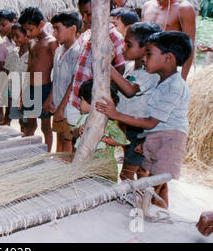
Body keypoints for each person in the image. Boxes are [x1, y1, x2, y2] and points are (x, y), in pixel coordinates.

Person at [96, 31, 192, 209]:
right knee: (155, 183)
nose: (145, 59)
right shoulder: (159, 80)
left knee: (155, 185)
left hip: (170, 139)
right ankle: (157, 214)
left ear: (168, 58)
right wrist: (147, 140)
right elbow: (153, 120)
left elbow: (151, 121)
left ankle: (155, 215)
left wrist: (116, 115)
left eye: (149, 54)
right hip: (158, 136)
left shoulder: (175, 86)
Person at [65, 0, 126, 130]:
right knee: (77, 142)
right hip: (76, 101)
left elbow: (118, 74)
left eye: (88, 14)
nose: (84, 19)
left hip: (93, 106)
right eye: (82, 14)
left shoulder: (115, 39)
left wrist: (96, 102)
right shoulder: (86, 35)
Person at [110, 22, 162, 181]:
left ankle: (136, 202)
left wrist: (107, 66)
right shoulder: (128, 67)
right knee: (136, 170)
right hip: (128, 127)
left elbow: (129, 90)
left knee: (127, 174)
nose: (122, 48)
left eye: (128, 44)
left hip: (141, 131)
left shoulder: (150, 73)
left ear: (146, 48)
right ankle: (138, 199)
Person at [72, 79, 130, 182]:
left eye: (81, 100)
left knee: (103, 192)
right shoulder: (83, 118)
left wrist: (103, 138)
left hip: (104, 170)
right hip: (85, 167)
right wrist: (79, 130)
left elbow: (122, 141)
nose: (79, 103)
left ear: (94, 103)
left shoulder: (108, 123)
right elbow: (73, 133)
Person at [18, 7, 58, 152]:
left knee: (46, 127)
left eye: (30, 29)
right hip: (31, 89)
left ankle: (47, 153)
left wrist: (50, 97)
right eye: (25, 31)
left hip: (45, 88)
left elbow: (56, 72)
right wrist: (23, 93)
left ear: (41, 24)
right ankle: (29, 151)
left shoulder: (51, 43)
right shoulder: (31, 43)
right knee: (30, 125)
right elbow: (29, 69)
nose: (27, 33)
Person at [141, 0, 196, 80]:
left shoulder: (184, 8)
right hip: (148, 69)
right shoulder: (147, 7)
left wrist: (182, 78)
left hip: (170, 71)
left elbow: (190, 45)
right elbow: (141, 40)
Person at [49, 11, 82, 153]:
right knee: (60, 138)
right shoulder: (58, 50)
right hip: (58, 105)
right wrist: (50, 99)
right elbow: (55, 79)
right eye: (53, 29)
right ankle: (58, 167)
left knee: (68, 141)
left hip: (68, 108)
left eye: (58, 29)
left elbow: (74, 82)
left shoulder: (77, 52)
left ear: (73, 29)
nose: (54, 33)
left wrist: (62, 107)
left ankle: (66, 170)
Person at [5, 23, 30, 134]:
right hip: (13, 93)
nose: (14, 39)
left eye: (17, 36)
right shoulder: (12, 53)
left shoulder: (32, 54)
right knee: (15, 118)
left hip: (26, 95)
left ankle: (26, 140)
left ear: (26, 35)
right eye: (12, 36)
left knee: (26, 122)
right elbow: (7, 74)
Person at [0, 9, 18, 125]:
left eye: (3, 25)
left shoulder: (23, 39)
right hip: (10, 80)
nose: (1, 28)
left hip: (23, 79)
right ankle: (5, 125)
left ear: (14, 21)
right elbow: (2, 66)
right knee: (9, 106)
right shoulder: (2, 44)